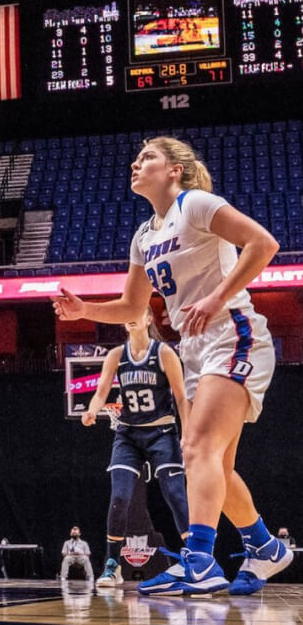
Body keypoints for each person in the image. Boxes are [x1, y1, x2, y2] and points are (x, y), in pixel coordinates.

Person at [55, 136, 292, 596]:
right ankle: (265, 548)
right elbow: (130, 306)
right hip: (196, 347)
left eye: (148, 158)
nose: (135, 163)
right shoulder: (144, 235)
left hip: (233, 331)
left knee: (195, 447)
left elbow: (263, 244)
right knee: (216, 466)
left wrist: (216, 295)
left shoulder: (196, 204)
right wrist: (84, 309)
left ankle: (200, 560)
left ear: (175, 170)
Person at [81, 307, 190, 589]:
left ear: (148, 319)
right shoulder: (116, 355)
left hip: (162, 430)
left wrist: (187, 435)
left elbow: (181, 397)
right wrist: (92, 410)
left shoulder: (164, 353)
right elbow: (101, 391)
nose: (130, 316)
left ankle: (195, 558)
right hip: (128, 434)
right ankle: (111, 564)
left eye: (137, 311)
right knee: (119, 498)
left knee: (175, 493)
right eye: (126, 312)